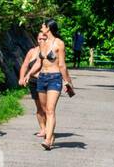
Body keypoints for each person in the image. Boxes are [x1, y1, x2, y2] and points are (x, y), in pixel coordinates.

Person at [31, 19, 74, 150]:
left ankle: (48, 140)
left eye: (42, 26)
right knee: (44, 110)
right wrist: (28, 74)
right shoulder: (42, 42)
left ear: (48, 28)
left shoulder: (59, 44)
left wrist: (67, 81)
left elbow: (62, 64)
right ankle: (51, 134)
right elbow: (39, 62)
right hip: (42, 77)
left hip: (55, 78)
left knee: (50, 110)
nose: (41, 28)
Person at [18, 29, 50, 137]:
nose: (41, 40)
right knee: (39, 107)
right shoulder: (32, 51)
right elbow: (25, 65)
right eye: (39, 38)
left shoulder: (50, 51)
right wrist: (22, 77)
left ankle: (49, 129)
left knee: (46, 107)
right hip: (34, 81)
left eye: (44, 38)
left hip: (46, 81)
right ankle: (43, 129)